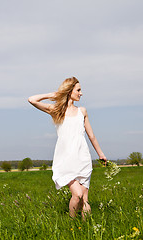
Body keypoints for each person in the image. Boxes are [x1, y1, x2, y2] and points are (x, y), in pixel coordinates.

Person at [28, 76, 107, 218]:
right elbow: (32, 100)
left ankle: (85, 230)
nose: (81, 93)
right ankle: (71, 222)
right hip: (65, 160)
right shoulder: (56, 110)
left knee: (84, 199)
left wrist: (101, 154)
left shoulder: (82, 111)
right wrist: (53, 95)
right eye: (78, 90)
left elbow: (91, 136)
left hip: (83, 158)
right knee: (77, 195)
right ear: (69, 91)